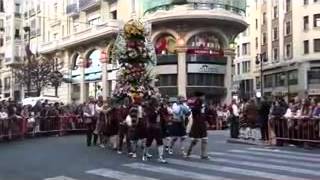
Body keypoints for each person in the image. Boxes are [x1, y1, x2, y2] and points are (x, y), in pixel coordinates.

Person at [185, 93, 211, 159]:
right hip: (197, 124)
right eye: (203, 96)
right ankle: (189, 152)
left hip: (202, 123)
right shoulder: (195, 105)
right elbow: (194, 114)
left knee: (205, 139)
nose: (204, 98)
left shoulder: (204, 105)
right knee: (195, 140)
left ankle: (203, 155)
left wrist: (208, 121)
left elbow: (206, 114)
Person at [143, 97, 167, 163]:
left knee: (160, 142)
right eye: (156, 101)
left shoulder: (159, 108)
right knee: (149, 142)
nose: (158, 103)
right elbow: (150, 116)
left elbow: (162, 116)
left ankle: (160, 157)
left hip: (157, 127)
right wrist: (156, 111)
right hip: (151, 127)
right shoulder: (148, 108)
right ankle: (145, 154)